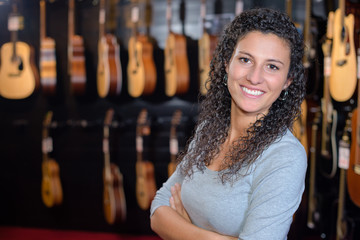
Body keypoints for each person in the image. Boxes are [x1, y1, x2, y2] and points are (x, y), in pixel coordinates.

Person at [150, 7, 307, 240]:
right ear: (226, 64)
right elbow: (158, 209)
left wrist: (183, 229)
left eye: (272, 66)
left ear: (287, 81)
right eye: (245, 59)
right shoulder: (209, 131)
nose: (254, 77)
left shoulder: (285, 157)